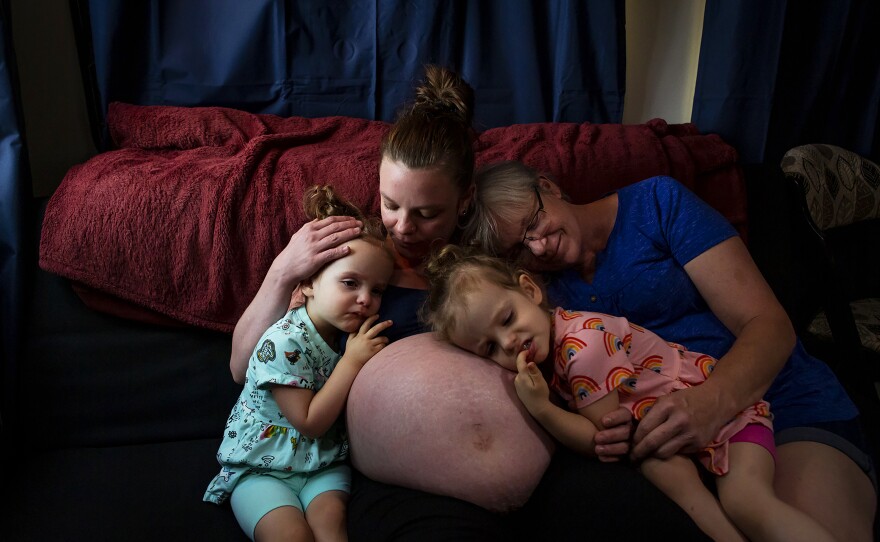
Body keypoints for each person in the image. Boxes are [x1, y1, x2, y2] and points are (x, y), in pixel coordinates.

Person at [230, 65, 713, 541]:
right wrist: (283, 270)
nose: (402, 227)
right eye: (390, 204)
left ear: (463, 201)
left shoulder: (488, 258)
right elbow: (244, 366)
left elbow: (564, 325)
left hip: (545, 458)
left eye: (426, 213)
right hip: (405, 480)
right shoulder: (353, 267)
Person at [464, 160, 878, 541]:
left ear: (548, 186)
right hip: (669, 446)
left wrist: (707, 404)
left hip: (775, 399)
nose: (538, 248)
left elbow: (769, 327)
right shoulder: (535, 299)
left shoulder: (656, 204)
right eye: (518, 249)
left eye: (533, 223)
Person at [422, 244, 838, 542]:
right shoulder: (547, 345)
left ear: (530, 291)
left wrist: (542, 409)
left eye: (507, 319)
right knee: (670, 479)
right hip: (662, 432)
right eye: (489, 347)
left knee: (748, 500)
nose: (508, 342)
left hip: (729, 417)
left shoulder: (581, 344)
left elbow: (601, 438)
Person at [206, 185, 395, 541]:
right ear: (307, 282)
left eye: (378, 290)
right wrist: (351, 364)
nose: (366, 299)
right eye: (350, 283)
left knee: (331, 532)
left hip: (322, 463)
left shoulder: (346, 333)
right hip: (261, 468)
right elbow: (309, 422)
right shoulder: (282, 342)